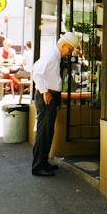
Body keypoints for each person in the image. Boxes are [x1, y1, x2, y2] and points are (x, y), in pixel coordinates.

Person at [31, 32, 80, 177]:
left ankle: (43, 162)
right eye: (69, 50)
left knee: (47, 131)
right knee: (44, 131)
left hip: (49, 95)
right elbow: (37, 73)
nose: (69, 53)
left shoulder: (54, 55)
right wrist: (45, 91)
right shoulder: (53, 55)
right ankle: (38, 166)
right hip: (47, 96)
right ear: (63, 45)